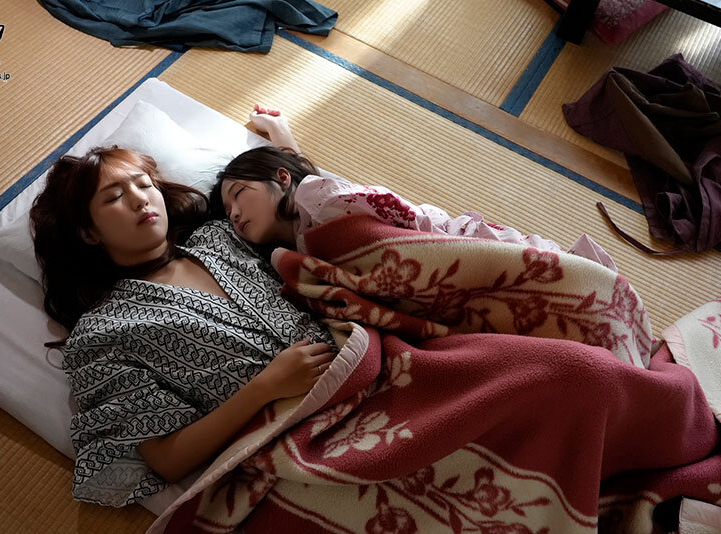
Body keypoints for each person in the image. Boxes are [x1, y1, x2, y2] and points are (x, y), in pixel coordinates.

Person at [30, 146, 337, 506]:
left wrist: (284, 144)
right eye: (114, 197)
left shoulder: (221, 235)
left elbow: (299, 209)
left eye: (144, 185)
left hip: (359, 364)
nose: (139, 199)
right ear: (88, 233)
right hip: (290, 443)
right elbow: (167, 460)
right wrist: (265, 387)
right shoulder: (101, 333)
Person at [211, 105, 618, 271]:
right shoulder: (290, 245)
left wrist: (279, 131)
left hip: (450, 242)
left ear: (282, 179)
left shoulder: (316, 197)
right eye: (228, 212)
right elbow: (291, 172)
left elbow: (394, 216)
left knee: (541, 267)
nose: (234, 214)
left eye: (238, 195)